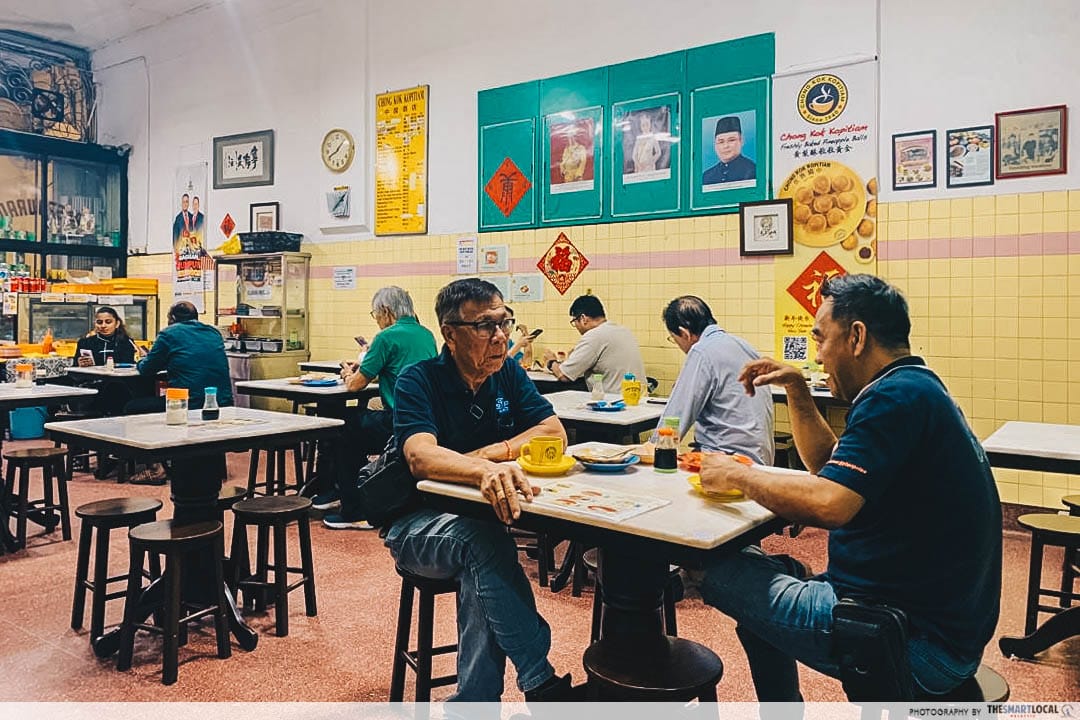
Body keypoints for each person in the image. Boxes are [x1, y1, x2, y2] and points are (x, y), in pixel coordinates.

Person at [696, 274, 1001, 702]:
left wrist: (736, 474)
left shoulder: (892, 398)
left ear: (856, 336)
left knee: (715, 568)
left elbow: (830, 504)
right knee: (759, 603)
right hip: (940, 626)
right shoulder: (916, 386)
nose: (818, 355)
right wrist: (797, 389)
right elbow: (830, 467)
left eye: (821, 340)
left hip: (907, 640)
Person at [385, 277, 577, 702]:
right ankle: (541, 682)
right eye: (485, 326)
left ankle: (472, 707)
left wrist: (492, 454)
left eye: (504, 322)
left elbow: (552, 430)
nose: (501, 336)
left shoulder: (506, 371)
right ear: (450, 335)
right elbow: (420, 455)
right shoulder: (419, 380)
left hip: (476, 525)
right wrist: (481, 472)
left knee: (482, 562)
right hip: (414, 525)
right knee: (481, 545)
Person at [320, 286, 437, 529]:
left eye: (376, 315)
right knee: (354, 422)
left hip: (397, 421)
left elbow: (355, 386)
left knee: (341, 427)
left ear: (385, 311)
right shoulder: (426, 334)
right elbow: (395, 368)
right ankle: (339, 489)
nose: (378, 321)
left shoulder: (386, 337)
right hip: (427, 420)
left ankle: (353, 508)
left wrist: (346, 374)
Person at [658, 296, 774, 465]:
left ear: (685, 333)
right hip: (761, 458)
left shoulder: (701, 351)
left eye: (675, 340)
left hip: (727, 460)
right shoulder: (744, 345)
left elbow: (675, 417)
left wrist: (652, 448)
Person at [133, 301, 233, 412]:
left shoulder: (168, 334)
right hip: (222, 401)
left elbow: (146, 369)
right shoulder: (213, 332)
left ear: (173, 318)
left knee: (131, 406)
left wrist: (140, 361)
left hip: (189, 401)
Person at [541, 294, 645, 394]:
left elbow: (564, 375)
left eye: (574, 321)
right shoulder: (623, 330)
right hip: (638, 398)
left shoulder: (593, 336)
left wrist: (551, 362)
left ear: (583, 318)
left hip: (615, 402)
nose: (576, 326)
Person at [75, 306, 141, 368]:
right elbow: (74, 368)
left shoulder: (127, 342)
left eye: (108, 322)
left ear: (117, 324)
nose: (103, 325)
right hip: (92, 379)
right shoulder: (85, 343)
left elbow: (131, 366)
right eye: (99, 322)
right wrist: (79, 363)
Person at [701, 116, 756, 186]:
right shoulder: (706, 177)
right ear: (715, 145)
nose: (726, 146)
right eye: (721, 142)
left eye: (731, 140)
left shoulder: (752, 171)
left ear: (741, 141)